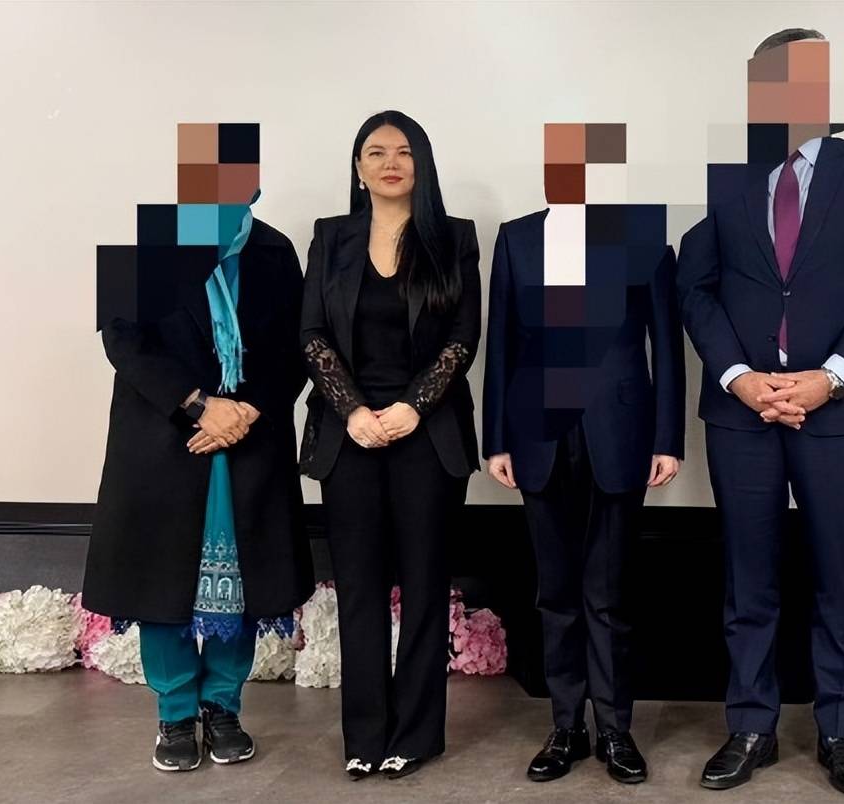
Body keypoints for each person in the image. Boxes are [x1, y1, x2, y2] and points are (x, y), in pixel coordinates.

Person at [676, 28, 844, 797]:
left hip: (835, 413)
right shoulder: (724, 171)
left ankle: (839, 731)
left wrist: (830, 378)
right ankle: (752, 726)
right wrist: (739, 377)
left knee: (840, 576)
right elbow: (696, 289)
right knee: (749, 579)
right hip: (741, 412)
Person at [84, 122, 312, 772]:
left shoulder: (275, 250)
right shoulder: (145, 242)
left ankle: (223, 706)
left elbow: (296, 344)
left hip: (248, 443)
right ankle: (175, 713)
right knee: (165, 585)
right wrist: (198, 405)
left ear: (254, 184)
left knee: (240, 585)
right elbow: (122, 340)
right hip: (165, 445)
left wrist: (247, 409)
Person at [482, 122, 686, 785]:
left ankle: (616, 730)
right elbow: (500, 342)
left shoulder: (645, 239)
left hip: (620, 432)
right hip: (537, 437)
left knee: (609, 594)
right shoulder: (515, 238)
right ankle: (565, 726)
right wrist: (495, 438)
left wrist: (668, 438)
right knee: (556, 593)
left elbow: (666, 344)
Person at [298, 110, 480, 780]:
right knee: (359, 588)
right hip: (349, 435)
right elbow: (311, 333)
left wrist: (410, 407)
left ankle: (418, 734)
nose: (390, 163)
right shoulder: (331, 237)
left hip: (427, 435)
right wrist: (352, 410)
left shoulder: (453, 238)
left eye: (404, 152)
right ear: (358, 169)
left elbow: (463, 337)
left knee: (426, 586)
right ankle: (365, 736)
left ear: (421, 164)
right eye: (375, 153)